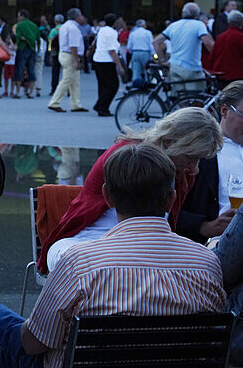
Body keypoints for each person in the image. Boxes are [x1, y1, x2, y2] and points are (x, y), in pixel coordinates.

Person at [0, 143, 226, 368]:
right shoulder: (206, 264)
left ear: (107, 197)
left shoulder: (80, 262)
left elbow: (33, 344)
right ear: (171, 200)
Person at [39, 107, 222, 272]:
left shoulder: (183, 170)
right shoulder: (129, 156)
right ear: (169, 141)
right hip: (95, 239)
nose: (194, 167)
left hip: (139, 245)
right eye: (190, 157)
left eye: (200, 159)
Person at [179, 81, 243, 243]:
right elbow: (164, 208)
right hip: (217, 242)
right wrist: (203, 226)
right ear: (224, 110)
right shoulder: (199, 152)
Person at [154, 2, 214, 97]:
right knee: (197, 97)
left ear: (183, 13)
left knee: (179, 97)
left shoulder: (173, 25)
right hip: (192, 67)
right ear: (197, 14)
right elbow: (208, 43)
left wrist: (162, 60)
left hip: (175, 66)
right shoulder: (199, 25)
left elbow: (156, 42)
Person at [48, 8, 88, 113]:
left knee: (74, 81)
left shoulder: (65, 26)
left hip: (64, 54)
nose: (82, 17)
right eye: (81, 15)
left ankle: (76, 104)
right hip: (70, 55)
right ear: (77, 16)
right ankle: (54, 102)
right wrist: (76, 60)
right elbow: (73, 45)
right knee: (67, 79)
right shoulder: (73, 28)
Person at [91, 14, 126, 117]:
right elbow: (112, 51)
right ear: (115, 22)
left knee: (102, 85)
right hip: (106, 61)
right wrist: (119, 66)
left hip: (98, 59)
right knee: (113, 85)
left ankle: (102, 107)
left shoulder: (101, 30)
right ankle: (101, 105)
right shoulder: (112, 32)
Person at [210, 10, 243, 85]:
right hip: (236, 75)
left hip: (221, 73)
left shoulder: (220, 36)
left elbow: (213, 56)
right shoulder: (240, 36)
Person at [13, 9, 40, 99]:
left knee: (19, 70)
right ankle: (31, 91)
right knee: (31, 70)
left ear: (22, 16)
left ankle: (18, 92)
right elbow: (38, 39)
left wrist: (23, 40)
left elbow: (18, 37)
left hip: (22, 48)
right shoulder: (34, 26)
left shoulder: (20, 25)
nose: (17, 17)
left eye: (18, 15)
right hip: (32, 49)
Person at [126, 17, 154, 85]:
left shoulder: (133, 33)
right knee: (147, 70)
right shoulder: (148, 33)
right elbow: (151, 44)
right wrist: (154, 54)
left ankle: (136, 84)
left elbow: (129, 46)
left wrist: (131, 52)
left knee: (136, 70)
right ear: (144, 25)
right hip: (145, 52)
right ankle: (147, 83)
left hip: (135, 52)